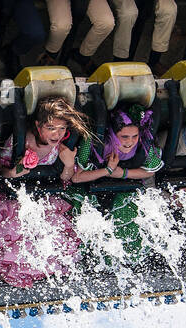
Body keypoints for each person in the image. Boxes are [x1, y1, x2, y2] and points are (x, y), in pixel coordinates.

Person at [0, 96, 92, 286]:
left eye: (61, 129)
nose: (57, 134)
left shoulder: (61, 146)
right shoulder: (21, 140)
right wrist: (14, 171)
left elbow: (66, 179)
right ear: (38, 125)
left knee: (53, 229)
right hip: (14, 196)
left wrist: (68, 164)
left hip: (44, 194)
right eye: (51, 128)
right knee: (19, 228)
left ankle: (45, 273)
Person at [67, 102, 163, 259]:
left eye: (134, 136)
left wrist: (123, 173)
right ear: (113, 133)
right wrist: (107, 170)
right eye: (124, 137)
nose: (130, 142)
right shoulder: (94, 141)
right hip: (89, 190)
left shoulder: (143, 144)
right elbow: (77, 177)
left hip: (122, 188)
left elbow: (149, 170)